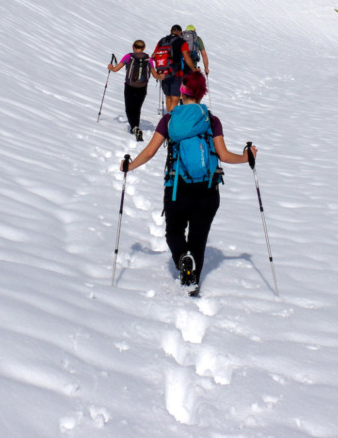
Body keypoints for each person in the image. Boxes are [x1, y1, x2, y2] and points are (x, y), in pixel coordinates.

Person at [123, 70, 255, 293]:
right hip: (208, 189)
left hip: (177, 188)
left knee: (174, 233)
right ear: (202, 94)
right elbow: (223, 155)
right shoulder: (211, 121)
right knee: (198, 238)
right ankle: (192, 283)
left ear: (182, 92)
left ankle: (183, 258)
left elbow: (149, 152)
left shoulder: (169, 120)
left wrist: (129, 165)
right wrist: (247, 156)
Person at [107, 40, 151, 140]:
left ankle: (135, 128)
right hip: (143, 87)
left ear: (133, 47)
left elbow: (116, 69)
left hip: (130, 86)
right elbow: (154, 73)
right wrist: (161, 76)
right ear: (143, 48)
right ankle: (136, 127)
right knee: (137, 108)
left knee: (129, 108)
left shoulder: (128, 56)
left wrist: (111, 67)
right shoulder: (148, 59)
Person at [153, 24, 197, 112]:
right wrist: (193, 69)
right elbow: (186, 57)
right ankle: (171, 118)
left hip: (163, 73)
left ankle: (169, 118)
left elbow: (153, 56)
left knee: (168, 96)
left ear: (171, 31)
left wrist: (160, 67)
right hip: (176, 73)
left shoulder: (162, 41)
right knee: (175, 97)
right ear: (180, 32)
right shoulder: (182, 42)